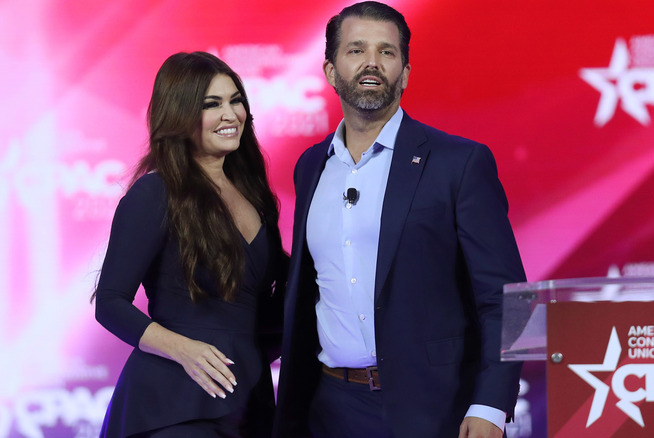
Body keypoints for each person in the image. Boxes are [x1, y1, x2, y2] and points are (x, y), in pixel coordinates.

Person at [273, 2, 526, 437]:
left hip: (436, 409)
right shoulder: (310, 166)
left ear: (405, 73)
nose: (372, 62)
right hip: (329, 409)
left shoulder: (459, 163)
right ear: (331, 72)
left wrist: (490, 404)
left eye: (387, 52)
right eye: (356, 50)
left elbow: (508, 299)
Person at [93, 51, 286, 437]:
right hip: (174, 405)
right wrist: (185, 350)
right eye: (211, 104)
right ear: (179, 115)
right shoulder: (156, 193)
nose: (230, 114)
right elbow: (110, 303)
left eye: (236, 100)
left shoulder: (256, 197)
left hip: (247, 404)